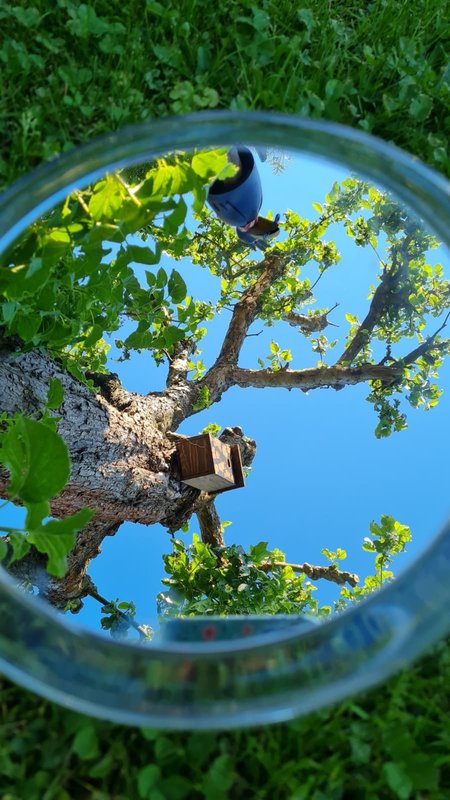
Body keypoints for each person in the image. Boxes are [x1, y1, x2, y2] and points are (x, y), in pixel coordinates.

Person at [207, 146, 280, 251]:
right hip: (238, 156)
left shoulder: (239, 218)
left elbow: (214, 195)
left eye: (263, 232)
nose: (267, 223)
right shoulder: (256, 206)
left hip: (224, 161)